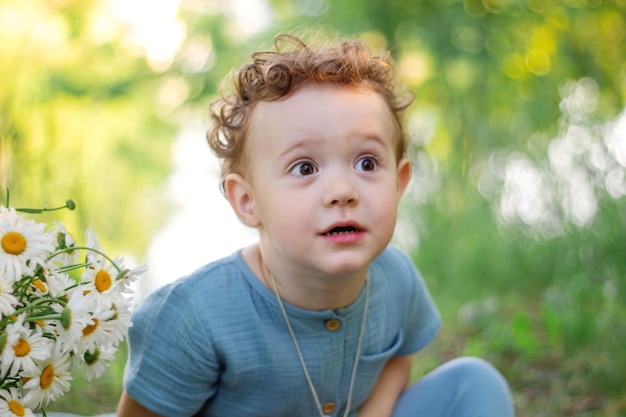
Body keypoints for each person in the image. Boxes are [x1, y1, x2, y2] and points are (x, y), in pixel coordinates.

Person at [117, 33, 515, 417]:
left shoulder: (397, 280)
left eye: (367, 163)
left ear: (399, 182)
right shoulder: (194, 317)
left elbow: (398, 358)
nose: (342, 190)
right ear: (248, 201)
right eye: (305, 167)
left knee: (475, 383)